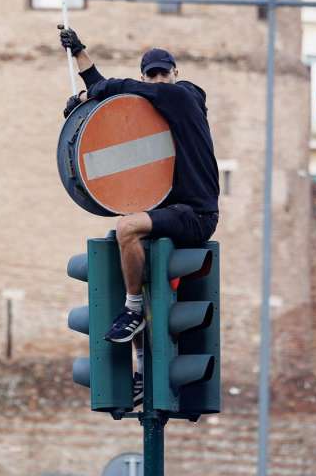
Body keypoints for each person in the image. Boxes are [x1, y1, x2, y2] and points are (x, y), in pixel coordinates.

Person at [59, 26, 219, 405]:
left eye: (165, 72)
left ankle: (133, 310)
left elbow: (126, 90)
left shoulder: (185, 96)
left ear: (175, 73)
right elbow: (113, 103)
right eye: (153, 74)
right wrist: (80, 56)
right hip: (169, 213)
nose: (160, 79)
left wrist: (90, 95)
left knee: (127, 227)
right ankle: (143, 369)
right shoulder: (151, 113)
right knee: (124, 252)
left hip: (196, 214)